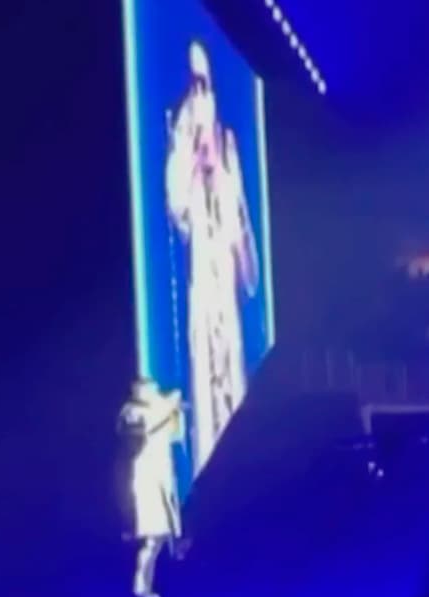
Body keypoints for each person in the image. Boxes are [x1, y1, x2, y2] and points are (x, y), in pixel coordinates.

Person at [165, 40, 260, 476]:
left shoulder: (228, 150)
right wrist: (193, 158)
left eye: (207, 84)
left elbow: (240, 225)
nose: (202, 94)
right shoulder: (185, 132)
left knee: (232, 373)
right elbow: (178, 205)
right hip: (204, 287)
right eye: (196, 84)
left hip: (225, 287)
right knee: (206, 377)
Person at [119, 378, 185, 597]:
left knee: (160, 537)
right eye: (151, 390)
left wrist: (174, 412)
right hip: (144, 480)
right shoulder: (131, 412)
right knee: (148, 537)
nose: (156, 394)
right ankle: (138, 588)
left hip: (162, 478)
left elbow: (173, 433)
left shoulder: (158, 409)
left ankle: (146, 586)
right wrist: (167, 407)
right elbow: (143, 431)